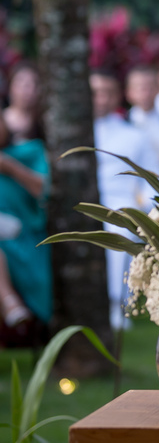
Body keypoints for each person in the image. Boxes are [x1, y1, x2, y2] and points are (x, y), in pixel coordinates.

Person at [91, 69, 157, 330]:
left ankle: (116, 303)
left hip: (120, 205)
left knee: (118, 230)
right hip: (81, 203)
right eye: (95, 93)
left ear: (118, 96)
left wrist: (142, 208)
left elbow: (149, 178)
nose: (101, 99)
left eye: (107, 93)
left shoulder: (134, 135)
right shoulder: (73, 131)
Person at [0, 115, 51, 346]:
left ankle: (11, 303)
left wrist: (11, 168)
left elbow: (44, 190)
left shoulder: (30, 152)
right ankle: (10, 303)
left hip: (24, 239)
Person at [3, 62, 44, 145]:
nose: (29, 91)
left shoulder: (43, 122)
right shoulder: (2, 121)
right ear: (10, 86)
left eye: (35, 84)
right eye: (23, 85)